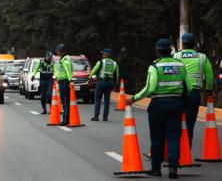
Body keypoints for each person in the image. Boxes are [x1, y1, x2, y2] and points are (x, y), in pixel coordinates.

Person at [126, 39, 192, 179]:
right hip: (176, 104)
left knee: (157, 138)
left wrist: (133, 98)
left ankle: (156, 168)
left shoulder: (154, 66)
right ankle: (173, 168)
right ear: (170, 50)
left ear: (157, 50)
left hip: (158, 105)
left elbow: (150, 88)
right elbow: (190, 87)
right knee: (174, 137)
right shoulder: (181, 65)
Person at [173, 33, 214, 147]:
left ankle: (175, 151)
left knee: (175, 122)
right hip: (194, 94)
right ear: (194, 44)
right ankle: (187, 150)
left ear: (182, 43)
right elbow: (209, 76)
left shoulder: (176, 56)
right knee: (189, 123)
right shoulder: (202, 57)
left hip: (178, 93)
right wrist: (209, 89)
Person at [89, 48, 119, 121]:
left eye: (103, 54)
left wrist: (89, 78)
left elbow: (94, 71)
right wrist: (115, 84)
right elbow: (117, 75)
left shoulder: (101, 62)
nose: (102, 55)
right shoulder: (115, 63)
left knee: (98, 99)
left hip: (101, 82)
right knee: (107, 100)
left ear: (106, 54)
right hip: (110, 83)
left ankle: (96, 116)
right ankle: (105, 117)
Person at [54, 44, 72, 126]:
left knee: (65, 101)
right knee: (64, 100)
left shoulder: (65, 60)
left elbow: (68, 72)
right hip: (62, 81)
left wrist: (70, 80)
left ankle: (66, 120)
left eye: (57, 50)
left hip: (65, 82)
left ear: (60, 51)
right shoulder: (63, 59)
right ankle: (65, 119)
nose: (56, 52)